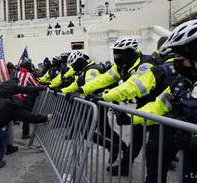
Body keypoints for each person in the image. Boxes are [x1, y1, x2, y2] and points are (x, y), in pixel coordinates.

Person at [120, 20, 197, 183]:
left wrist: (194, 139)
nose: (175, 61)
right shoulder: (182, 82)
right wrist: (129, 116)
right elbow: (157, 106)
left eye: (179, 56)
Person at [78, 38, 154, 173]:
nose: (117, 57)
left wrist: (104, 96)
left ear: (130, 53)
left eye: (120, 53)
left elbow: (131, 87)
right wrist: (83, 90)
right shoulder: (122, 66)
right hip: (144, 102)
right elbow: (103, 79)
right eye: (115, 53)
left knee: (157, 143)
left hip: (158, 102)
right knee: (137, 137)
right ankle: (125, 166)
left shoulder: (145, 64)